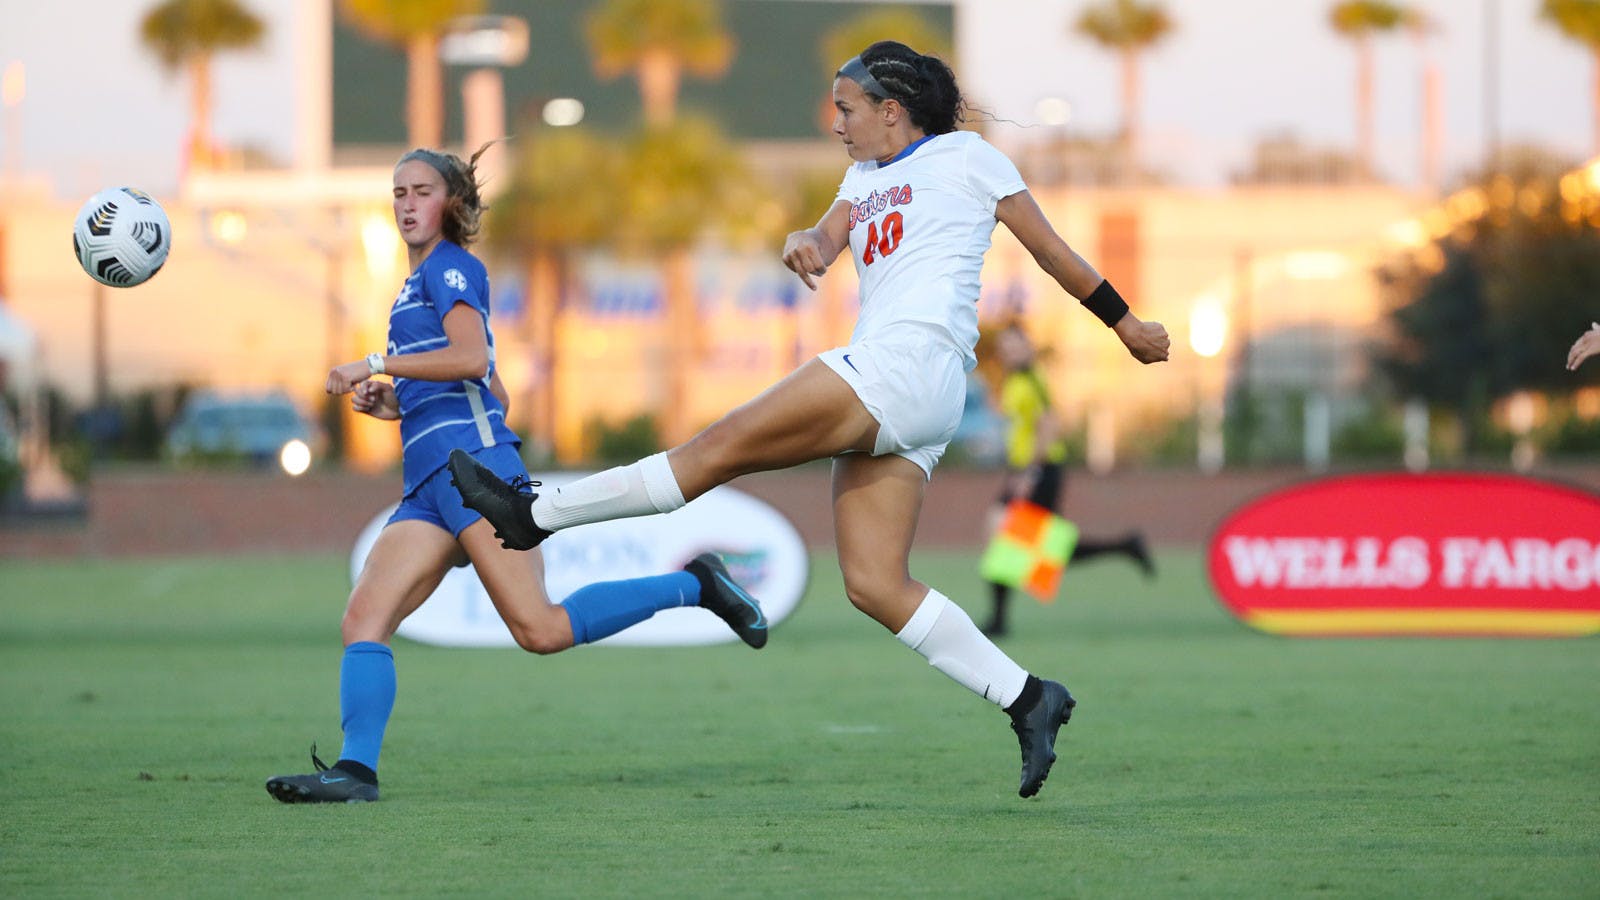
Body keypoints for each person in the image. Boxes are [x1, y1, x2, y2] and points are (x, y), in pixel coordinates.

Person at [450, 41, 1170, 799]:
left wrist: (1126, 326)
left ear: (892, 112)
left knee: (715, 449)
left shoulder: (969, 158)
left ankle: (535, 513)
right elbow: (826, 239)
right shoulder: (862, 176)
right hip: (911, 391)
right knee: (873, 584)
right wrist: (806, 245)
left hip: (906, 366)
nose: (837, 124)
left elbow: (1055, 254)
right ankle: (1029, 699)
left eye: (847, 110)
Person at [265, 145, 766, 805]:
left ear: (451, 204)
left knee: (542, 631)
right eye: (398, 193)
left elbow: (472, 359)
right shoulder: (414, 286)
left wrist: (374, 363)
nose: (407, 204)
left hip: (479, 478)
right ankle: (355, 773)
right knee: (363, 620)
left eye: (421, 191)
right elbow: (494, 391)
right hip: (428, 487)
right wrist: (398, 406)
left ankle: (694, 583)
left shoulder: (451, 270)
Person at [981, 323, 1154, 637]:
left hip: (1039, 471)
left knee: (1009, 538)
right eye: (1005, 348)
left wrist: (1028, 473)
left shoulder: (1032, 378)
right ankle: (1126, 546)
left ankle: (998, 621)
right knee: (1033, 545)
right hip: (1028, 470)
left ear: (1027, 347)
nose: (1009, 353)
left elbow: (1048, 425)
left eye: (1015, 346)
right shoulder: (1016, 379)